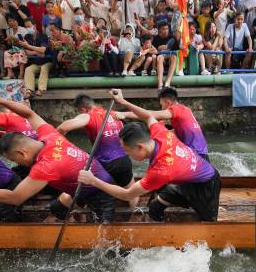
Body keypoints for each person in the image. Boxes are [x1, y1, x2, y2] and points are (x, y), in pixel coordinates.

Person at [0, 90, 115, 223]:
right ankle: (75, 218)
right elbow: (29, 113)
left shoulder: (45, 167)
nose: (17, 162)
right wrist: (0, 100)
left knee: (104, 240)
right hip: (81, 185)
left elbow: (15, 198)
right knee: (56, 208)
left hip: (100, 191)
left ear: (22, 153)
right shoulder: (50, 133)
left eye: (14, 160)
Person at [77, 89, 221, 222]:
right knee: (154, 207)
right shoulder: (159, 132)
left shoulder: (160, 170)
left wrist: (93, 180)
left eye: (127, 151)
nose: (126, 154)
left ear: (140, 147)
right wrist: (123, 101)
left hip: (207, 184)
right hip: (187, 179)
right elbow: (147, 116)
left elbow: (127, 195)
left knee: (208, 222)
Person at [57, 94, 137, 207]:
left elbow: (64, 127)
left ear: (83, 109)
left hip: (104, 163)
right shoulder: (113, 113)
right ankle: (133, 213)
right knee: (132, 191)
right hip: (124, 161)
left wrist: (56, 136)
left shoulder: (88, 115)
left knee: (82, 185)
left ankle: (72, 206)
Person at [120, 87, 209, 159]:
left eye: (162, 105)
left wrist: (125, 114)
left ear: (168, 102)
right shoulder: (186, 109)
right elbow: (181, 131)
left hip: (196, 155)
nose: (162, 108)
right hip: (202, 152)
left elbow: (150, 115)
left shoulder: (176, 109)